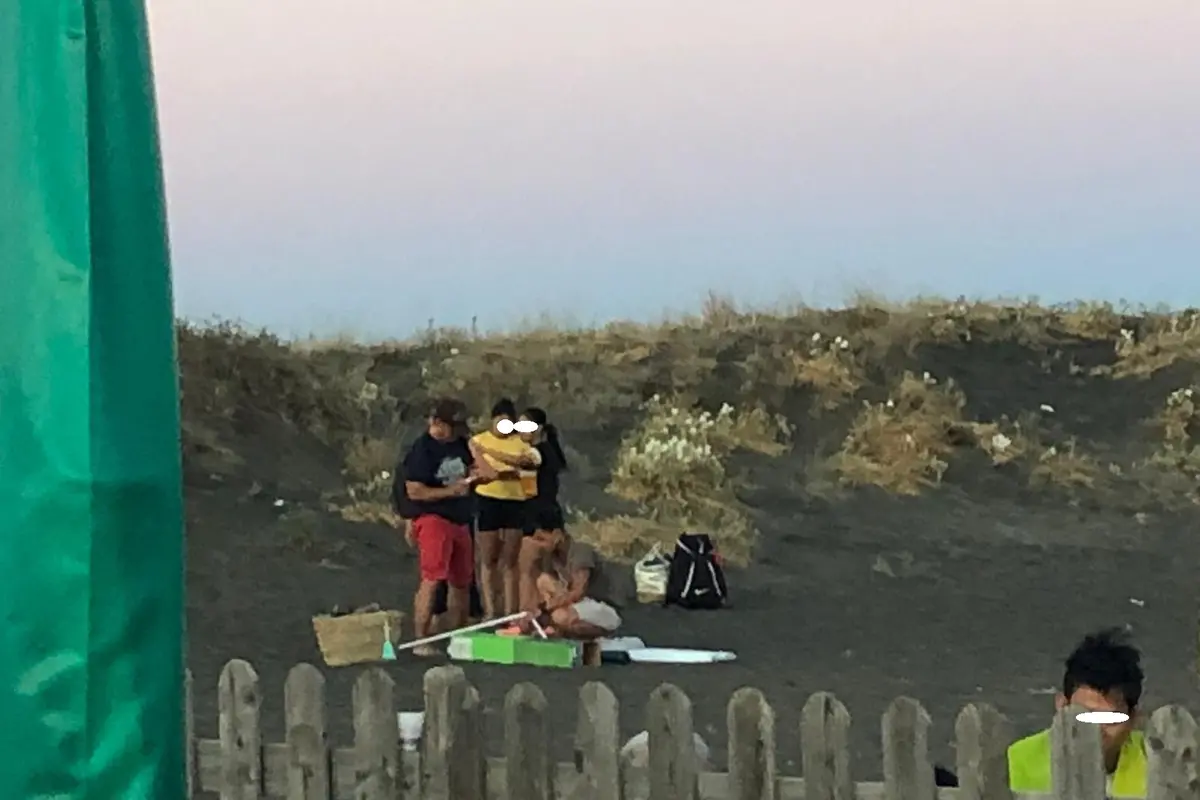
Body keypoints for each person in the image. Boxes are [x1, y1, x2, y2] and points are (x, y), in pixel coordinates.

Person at [401, 398, 497, 656]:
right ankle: (421, 638)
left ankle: (457, 635)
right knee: (433, 578)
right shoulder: (423, 450)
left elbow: (489, 473)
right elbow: (415, 491)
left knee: (462, 581)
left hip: (460, 519)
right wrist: (449, 491)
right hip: (434, 518)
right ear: (437, 423)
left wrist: (474, 452)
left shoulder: (460, 445)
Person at [1008, 627, 1146, 797]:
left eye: (1110, 718)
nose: (1096, 728)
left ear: (1134, 718)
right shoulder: (1018, 761)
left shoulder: (1159, 761)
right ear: (1061, 705)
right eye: (1084, 714)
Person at [470, 398, 542, 618]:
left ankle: (510, 610)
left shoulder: (519, 443)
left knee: (509, 559)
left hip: (514, 501)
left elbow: (525, 465)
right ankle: (490, 610)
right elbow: (476, 470)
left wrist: (499, 469)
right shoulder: (478, 440)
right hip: (488, 499)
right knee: (488, 558)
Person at [513, 407, 569, 610]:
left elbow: (521, 462)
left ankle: (527, 616)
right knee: (549, 570)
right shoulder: (550, 450)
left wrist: (482, 450)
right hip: (551, 514)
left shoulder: (538, 452)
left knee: (528, 571)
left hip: (538, 516)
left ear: (539, 428)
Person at [523, 530, 622, 640]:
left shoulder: (580, 551)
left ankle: (603, 635)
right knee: (543, 580)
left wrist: (548, 608)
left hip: (602, 607)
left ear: (557, 534)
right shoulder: (550, 556)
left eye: (542, 540)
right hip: (576, 604)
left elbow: (578, 592)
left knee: (559, 617)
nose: (539, 545)